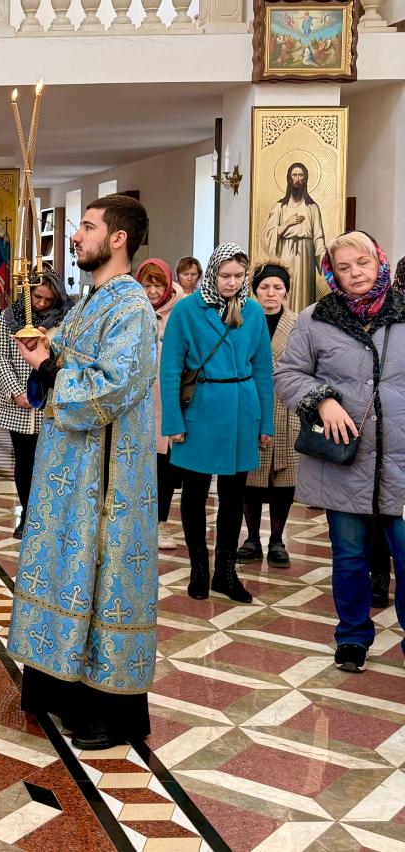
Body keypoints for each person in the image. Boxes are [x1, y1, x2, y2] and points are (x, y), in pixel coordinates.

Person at [6, 194, 159, 751]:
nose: (75, 237)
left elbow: (114, 387)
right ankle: (58, 687)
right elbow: (70, 358)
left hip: (107, 477)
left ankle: (108, 712)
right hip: (70, 469)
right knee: (64, 566)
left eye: (87, 228)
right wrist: (45, 347)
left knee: (102, 573)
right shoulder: (95, 301)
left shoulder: (132, 307)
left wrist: (49, 365)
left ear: (118, 239)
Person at [274, 230, 404, 673]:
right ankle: (352, 635)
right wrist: (322, 400)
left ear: (379, 261)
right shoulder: (315, 319)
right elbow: (288, 374)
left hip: (401, 459)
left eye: (362, 264)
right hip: (344, 461)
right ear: (332, 273)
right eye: (344, 268)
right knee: (349, 557)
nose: (355, 274)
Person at [160, 243, 273, 604]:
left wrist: (266, 423)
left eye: (239, 276)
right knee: (194, 492)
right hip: (201, 407)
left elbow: (263, 370)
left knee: (234, 494)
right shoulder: (187, 310)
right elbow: (170, 368)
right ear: (212, 274)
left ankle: (225, 572)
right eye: (225, 275)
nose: (232, 282)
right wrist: (173, 421)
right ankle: (199, 568)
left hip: (242, 409)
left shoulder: (253, 311)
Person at [0, 270, 69, 538]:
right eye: (37, 297)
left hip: (52, 401)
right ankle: (27, 514)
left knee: (51, 462)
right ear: (28, 293)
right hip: (19, 405)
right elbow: (1, 356)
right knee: (24, 461)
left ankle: (48, 516)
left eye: (48, 300)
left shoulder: (65, 318)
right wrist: (16, 392)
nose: (42, 304)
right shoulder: (9, 316)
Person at [238, 260, 300, 568]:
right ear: (255, 291)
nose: (271, 293)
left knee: (284, 479)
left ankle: (277, 540)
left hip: (288, 408)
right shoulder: (242, 319)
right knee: (251, 475)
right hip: (252, 405)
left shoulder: (299, 324)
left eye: (278, 287)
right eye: (264, 287)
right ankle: (251, 538)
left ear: (286, 291)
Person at [136, 258, 184, 551]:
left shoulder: (182, 311)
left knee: (164, 467)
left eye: (158, 285)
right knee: (138, 466)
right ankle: (136, 523)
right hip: (137, 402)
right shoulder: (132, 310)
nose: (153, 291)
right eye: (147, 285)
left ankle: (161, 522)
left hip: (168, 402)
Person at [262, 163, 327, 312]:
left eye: (300, 175)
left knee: (304, 296)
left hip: (305, 257)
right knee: (286, 292)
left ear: (305, 179)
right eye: (294, 175)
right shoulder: (280, 207)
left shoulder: (312, 207)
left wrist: (325, 260)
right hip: (285, 254)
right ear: (289, 179)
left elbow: (318, 238)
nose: (297, 179)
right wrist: (287, 223)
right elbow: (267, 235)